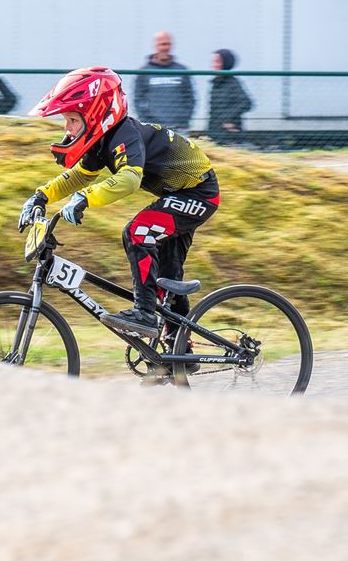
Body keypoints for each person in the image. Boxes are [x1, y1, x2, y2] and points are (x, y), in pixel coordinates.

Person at [19, 67, 218, 340]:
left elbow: (129, 179)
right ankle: (179, 349)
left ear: (96, 115)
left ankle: (145, 313)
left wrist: (85, 198)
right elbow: (79, 176)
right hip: (178, 195)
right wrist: (41, 196)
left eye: (73, 120)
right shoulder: (101, 142)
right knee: (167, 279)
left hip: (199, 193)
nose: (68, 128)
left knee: (137, 232)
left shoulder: (125, 135)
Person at [133, 31, 196, 129]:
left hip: (178, 127)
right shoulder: (144, 72)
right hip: (154, 128)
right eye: (162, 44)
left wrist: (184, 120)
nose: (165, 47)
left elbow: (190, 98)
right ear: (155, 46)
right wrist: (146, 122)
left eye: (168, 44)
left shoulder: (181, 70)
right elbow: (138, 99)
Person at [206, 49, 253, 142]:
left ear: (225, 63)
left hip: (229, 135)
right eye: (213, 61)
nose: (213, 65)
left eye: (217, 62)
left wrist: (227, 119)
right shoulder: (215, 83)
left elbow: (246, 103)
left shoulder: (233, 83)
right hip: (214, 131)